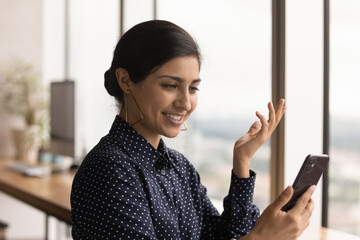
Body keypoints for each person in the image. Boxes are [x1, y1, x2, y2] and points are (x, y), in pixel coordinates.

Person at [71, 20, 315, 240]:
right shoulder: (109, 170)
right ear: (126, 81)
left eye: (193, 88)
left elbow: (223, 235)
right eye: (170, 85)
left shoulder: (179, 167)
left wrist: (242, 162)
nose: (186, 103)